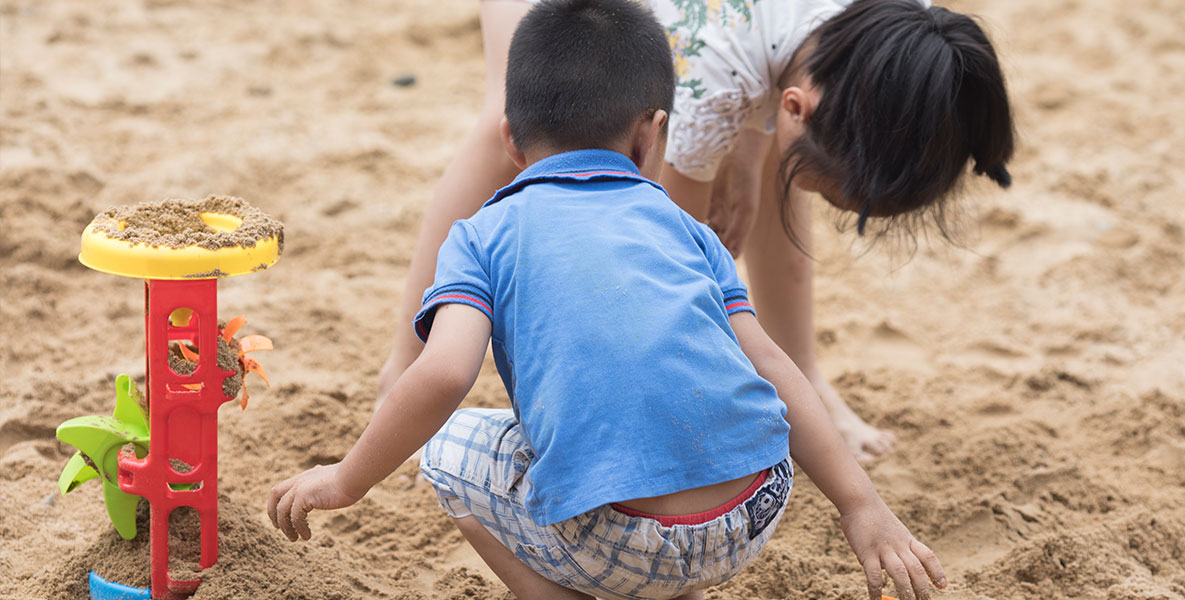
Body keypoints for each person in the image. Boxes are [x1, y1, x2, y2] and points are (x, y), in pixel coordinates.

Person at [271, 1, 948, 598]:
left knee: (446, 449)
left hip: (618, 546)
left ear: (510, 140)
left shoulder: (478, 235)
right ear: (652, 134)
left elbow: (446, 374)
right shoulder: (691, 231)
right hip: (748, 517)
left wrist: (347, 479)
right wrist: (861, 507)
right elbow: (773, 367)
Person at [376, 0, 1016, 462]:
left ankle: (804, 375)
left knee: (775, 162)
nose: (842, 211)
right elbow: (653, 248)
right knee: (512, 120)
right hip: (683, 36)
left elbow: (769, 103)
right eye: (838, 195)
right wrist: (738, 136)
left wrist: (751, 139)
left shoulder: (896, 38)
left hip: (722, 40)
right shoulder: (714, 74)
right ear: (793, 105)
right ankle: (405, 371)